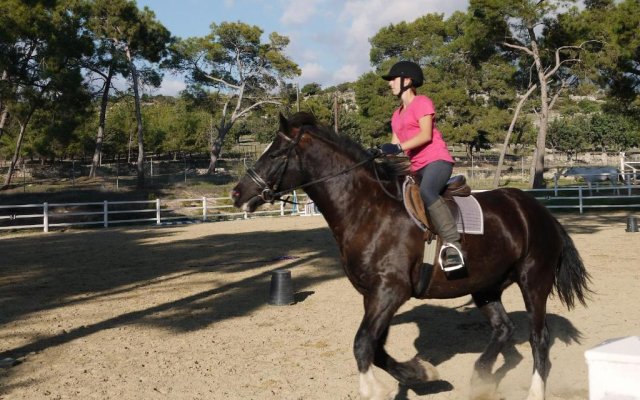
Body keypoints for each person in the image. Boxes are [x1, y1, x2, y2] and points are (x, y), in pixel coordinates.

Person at [380, 60, 464, 272]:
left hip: (437, 160)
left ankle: (453, 244)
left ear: (406, 80)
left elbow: (425, 135)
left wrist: (397, 147)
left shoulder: (422, 102)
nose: (390, 84)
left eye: (393, 79)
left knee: (427, 191)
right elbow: (394, 146)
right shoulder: (396, 114)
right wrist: (380, 154)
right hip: (415, 166)